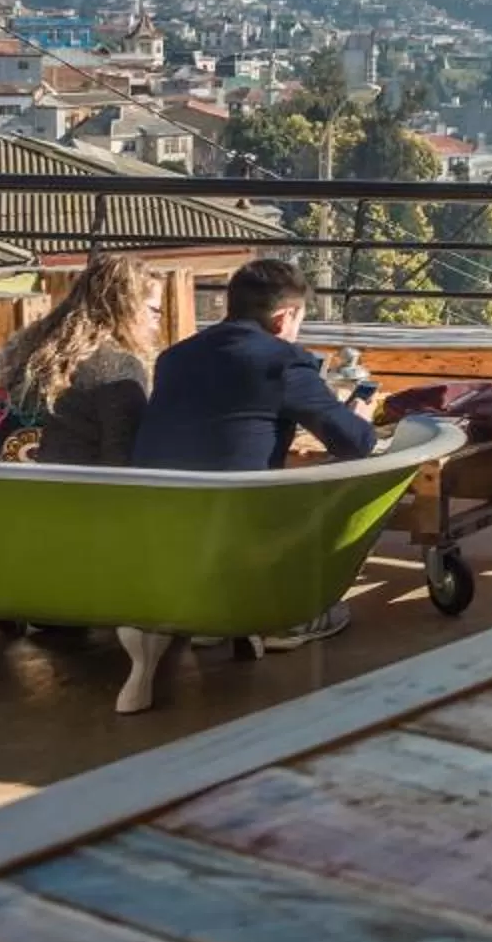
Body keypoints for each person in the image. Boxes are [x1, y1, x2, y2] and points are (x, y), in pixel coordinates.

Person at [133, 257, 374, 649]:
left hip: (162, 524)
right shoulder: (283, 362)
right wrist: (359, 414)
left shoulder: (174, 359)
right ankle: (287, 619)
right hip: (236, 524)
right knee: (339, 482)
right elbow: (354, 443)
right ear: (283, 319)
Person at [0, 253, 157, 467]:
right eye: (154, 311)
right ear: (127, 308)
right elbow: (126, 473)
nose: (156, 324)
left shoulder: (16, 355)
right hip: (55, 496)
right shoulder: (119, 370)